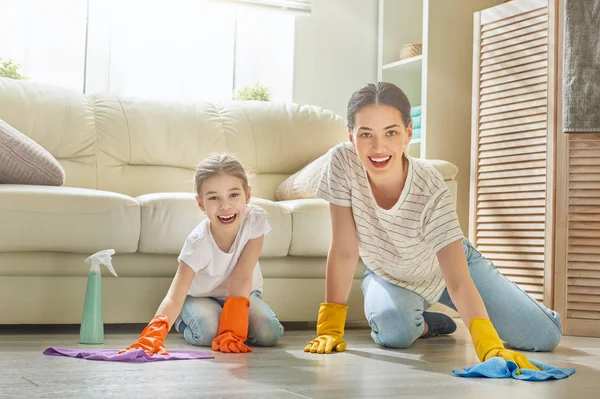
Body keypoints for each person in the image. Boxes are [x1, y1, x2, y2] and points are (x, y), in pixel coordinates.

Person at [304, 82, 562, 372]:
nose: (378, 147)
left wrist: (487, 345)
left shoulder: (430, 185)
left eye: (391, 132)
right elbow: (343, 250)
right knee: (396, 332)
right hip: (389, 272)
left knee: (545, 336)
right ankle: (429, 324)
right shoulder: (342, 162)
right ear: (351, 136)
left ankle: (525, 312)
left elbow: (459, 281)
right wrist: (330, 327)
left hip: (446, 270)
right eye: (366, 134)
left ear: (408, 134)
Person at [121, 153, 284, 355]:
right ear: (201, 204)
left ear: (247, 196)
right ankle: (184, 320)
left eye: (234, 195)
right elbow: (175, 295)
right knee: (207, 333)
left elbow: (242, 276)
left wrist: (233, 330)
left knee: (269, 334)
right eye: (214, 198)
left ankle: (229, 323)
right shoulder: (198, 243)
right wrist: (153, 335)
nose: (225, 206)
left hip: (242, 293)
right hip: (200, 297)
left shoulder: (255, 219)